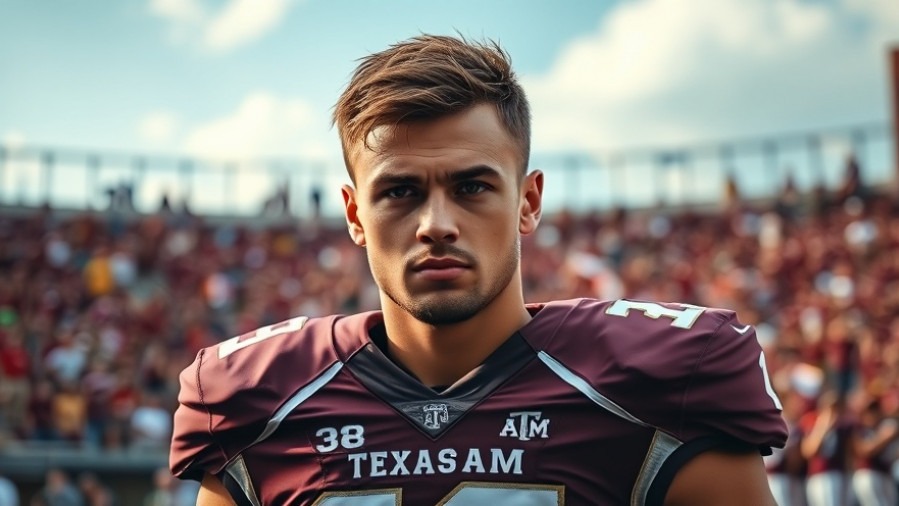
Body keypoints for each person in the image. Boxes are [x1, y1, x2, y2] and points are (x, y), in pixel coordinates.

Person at [170, 34, 787, 505]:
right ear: (355, 214)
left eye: (471, 187)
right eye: (400, 192)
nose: (436, 224)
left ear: (528, 202)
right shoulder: (257, 400)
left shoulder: (665, 381)